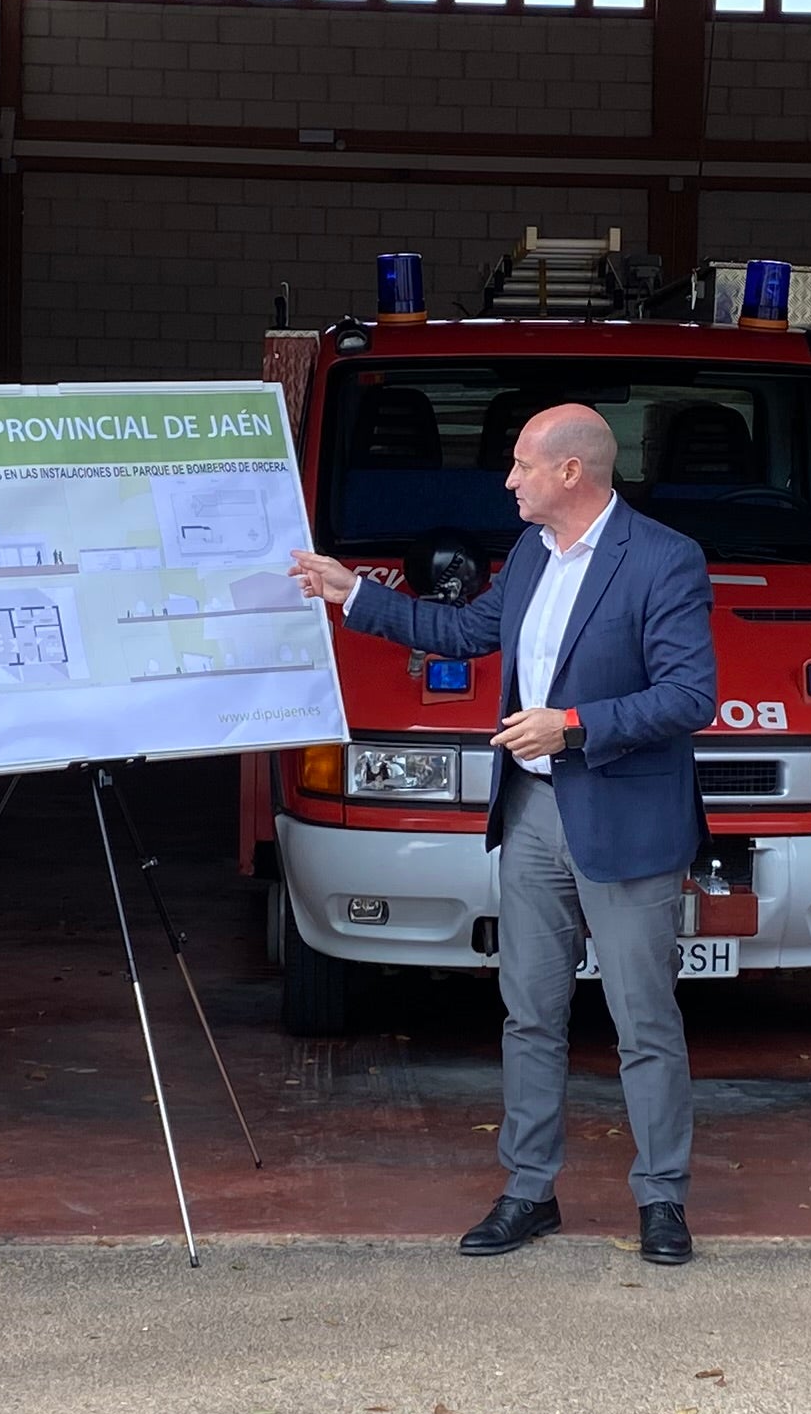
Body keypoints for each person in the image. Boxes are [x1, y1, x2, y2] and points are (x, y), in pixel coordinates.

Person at [289, 403, 717, 1264]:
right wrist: (355, 594)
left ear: (571, 472)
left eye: (522, 464)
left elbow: (689, 696)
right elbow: (467, 631)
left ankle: (663, 1199)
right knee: (529, 1014)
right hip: (530, 812)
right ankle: (529, 1191)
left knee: (644, 1020)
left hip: (623, 818)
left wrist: (573, 724)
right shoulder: (530, 553)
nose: (508, 479)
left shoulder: (665, 558)